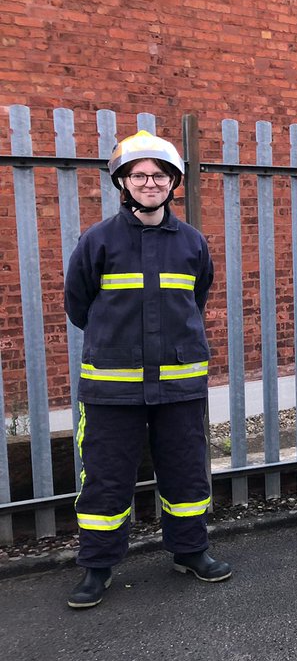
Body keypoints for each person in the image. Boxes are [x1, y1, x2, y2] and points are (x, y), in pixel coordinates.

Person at [64, 130, 231, 609]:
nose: (149, 183)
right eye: (139, 175)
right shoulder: (97, 241)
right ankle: (97, 567)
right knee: (105, 478)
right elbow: (79, 305)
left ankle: (190, 552)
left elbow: (196, 299)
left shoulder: (192, 244)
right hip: (111, 388)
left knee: (185, 473)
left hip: (178, 385)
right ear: (123, 182)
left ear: (173, 182)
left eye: (159, 175)